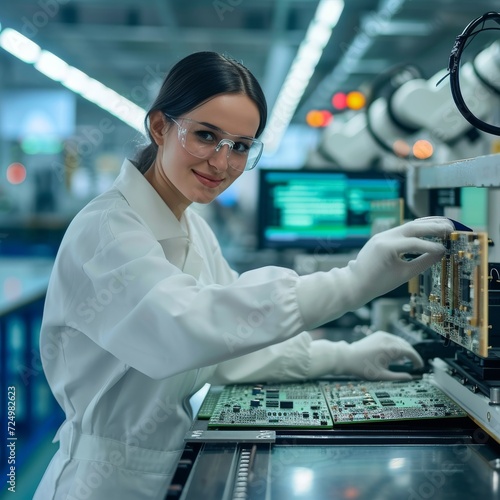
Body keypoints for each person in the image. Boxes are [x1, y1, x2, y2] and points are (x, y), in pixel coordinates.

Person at [34, 51, 453, 500]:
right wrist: (351, 283)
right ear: (159, 127)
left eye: (239, 146)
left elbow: (230, 345)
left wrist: (341, 358)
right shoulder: (106, 231)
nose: (221, 162)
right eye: (206, 135)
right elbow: (185, 326)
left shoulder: (193, 225)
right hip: (101, 483)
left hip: (160, 470)